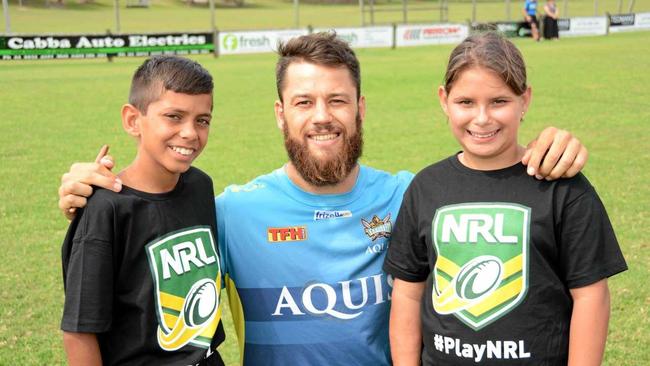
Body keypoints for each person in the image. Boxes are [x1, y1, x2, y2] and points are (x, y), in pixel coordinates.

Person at [58, 33, 589, 365]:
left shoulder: (412, 196)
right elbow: (149, 230)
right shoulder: (230, 211)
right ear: (280, 113)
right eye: (303, 101)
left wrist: (547, 145)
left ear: (360, 108)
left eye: (337, 100)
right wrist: (90, 190)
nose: (322, 116)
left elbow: (486, 179)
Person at [384, 32, 627, 365]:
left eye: (499, 101)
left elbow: (591, 296)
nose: (482, 118)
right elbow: (408, 294)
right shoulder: (427, 187)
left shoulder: (562, 188)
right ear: (444, 100)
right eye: (465, 102)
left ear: (524, 101)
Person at [60, 56, 226, 366]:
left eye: (202, 119)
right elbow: (79, 332)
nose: (190, 132)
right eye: (174, 116)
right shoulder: (105, 208)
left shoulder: (201, 185)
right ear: (133, 120)